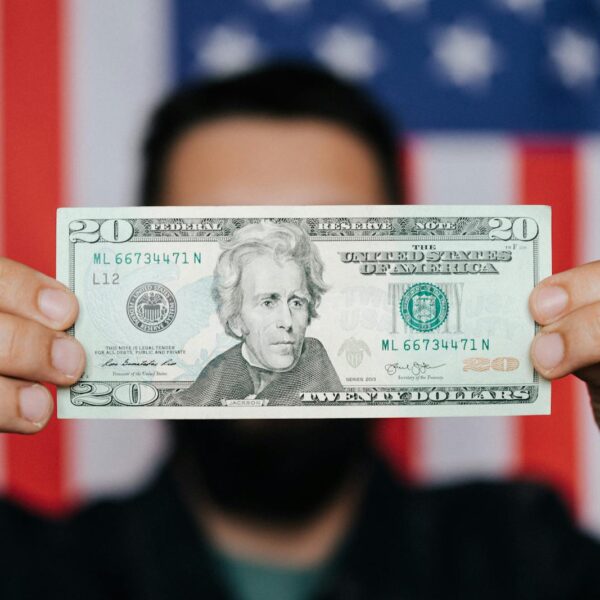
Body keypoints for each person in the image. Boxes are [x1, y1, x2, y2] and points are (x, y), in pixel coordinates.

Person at [1, 62, 600, 599]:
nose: (285, 317)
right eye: (226, 243)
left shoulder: (524, 558)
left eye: (322, 254)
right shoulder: (29, 570)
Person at [163, 220, 342, 407]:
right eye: (268, 303)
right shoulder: (217, 375)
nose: (287, 321)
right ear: (235, 320)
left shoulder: (317, 371)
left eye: (297, 302)